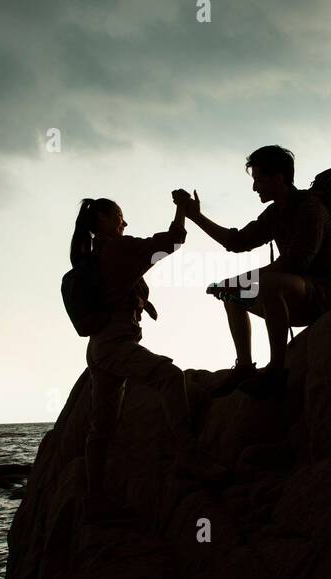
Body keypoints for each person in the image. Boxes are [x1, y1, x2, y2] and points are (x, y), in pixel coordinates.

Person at [70, 196, 225, 516]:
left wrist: (143, 303)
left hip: (99, 349)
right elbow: (169, 244)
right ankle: (189, 457)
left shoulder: (94, 255)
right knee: (169, 377)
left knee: (101, 428)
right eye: (119, 217)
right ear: (101, 219)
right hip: (116, 346)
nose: (124, 224)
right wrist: (183, 211)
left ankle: (94, 500)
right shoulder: (117, 248)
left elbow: (116, 287)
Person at [174, 145, 331, 399]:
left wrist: (251, 280)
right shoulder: (275, 213)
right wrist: (196, 217)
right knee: (231, 293)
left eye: (258, 179)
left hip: (325, 294)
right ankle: (244, 366)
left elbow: (297, 262)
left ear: (278, 178)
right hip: (296, 292)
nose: (255, 187)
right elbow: (236, 242)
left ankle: (277, 372)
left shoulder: (311, 208)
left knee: (267, 284)